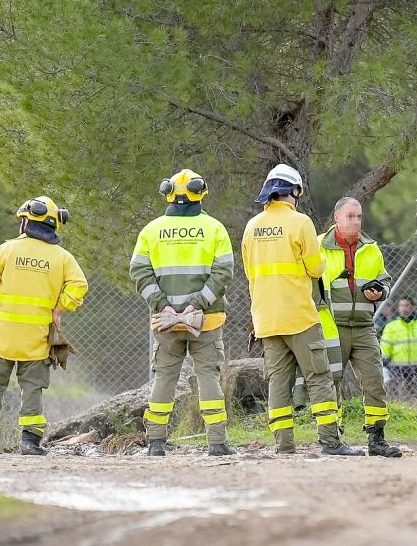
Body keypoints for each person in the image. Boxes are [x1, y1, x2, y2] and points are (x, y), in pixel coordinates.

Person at [242, 164, 359, 456]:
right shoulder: (300, 222)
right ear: (293, 192)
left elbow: (248, 271)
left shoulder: (252, 226)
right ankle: (331, 442)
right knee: (318, 377)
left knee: (278, 384)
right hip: (300, 316)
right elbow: (316, 267)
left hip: (266, 319)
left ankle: (284, 446)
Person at [0, 196, 88, 455]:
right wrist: (60, 308)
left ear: (26, 221)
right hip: (35, 341)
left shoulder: (6, 250)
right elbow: (79, 286)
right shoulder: (62, 257)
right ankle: (30, 442)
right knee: (32, 389)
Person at [130, 170, 235, 457]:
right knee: (209, 379)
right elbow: (224, 271)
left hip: (164, 322)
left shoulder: (151, 230)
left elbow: (138, 270)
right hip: (206, 320)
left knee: (163, 379)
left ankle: (155, 443)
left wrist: (162, 304)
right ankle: (217, 443)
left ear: (167, 193)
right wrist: (199, 303)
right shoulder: (214, 228)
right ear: (200, 193)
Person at [318, 197, 401, 457]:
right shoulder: (319, 246)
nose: (355, 221)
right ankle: (333, 439)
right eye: (350, 216)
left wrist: (381, 291)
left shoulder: (371, 248)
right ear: (336, 218)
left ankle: (376, 439)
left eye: (359, 216)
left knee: (375, 381)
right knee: (332, 382)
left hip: (364, 326)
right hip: (333, 326)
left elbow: (384, 279)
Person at [379, 297, 417, 396]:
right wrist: (385, 361)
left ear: (413, 307)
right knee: (401, 394)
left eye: (407, 305)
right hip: (398, 367)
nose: (403, 309)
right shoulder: (391, 326)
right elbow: (385, 345)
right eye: (401, 306)